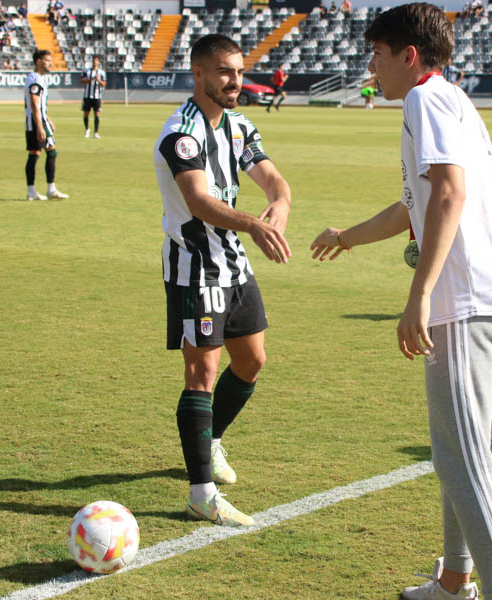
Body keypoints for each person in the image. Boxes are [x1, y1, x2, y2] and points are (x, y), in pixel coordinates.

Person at [310, 4, 492, 599]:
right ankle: (455, 579)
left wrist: (421, 295)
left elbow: (449, 195)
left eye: (377, 54)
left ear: (408, 56)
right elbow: (417, 201)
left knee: (464, 461)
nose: (370, 67)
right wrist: (346, 237)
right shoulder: (448, 99)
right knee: (458, 453)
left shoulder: (424, 100)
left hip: (468, 303)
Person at [152, 34, 292, 528]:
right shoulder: (180, 134)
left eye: (238, 71)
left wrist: (280, 202)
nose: (235, 81)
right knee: (202, 375)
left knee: (252, 362)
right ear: (199, 75)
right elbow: (197, 200)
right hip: (195, 267)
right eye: (224, 72)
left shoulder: (239, 125)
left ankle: (209, 442)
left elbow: (273, 179)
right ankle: (201, 494)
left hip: (235, 265)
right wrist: (254, 223)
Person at [24, 49, 67, 201]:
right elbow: (35, 104)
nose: (50, 64)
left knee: (36, 154)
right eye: (47, 61)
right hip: (36, 122)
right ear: (38, 62)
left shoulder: (39, 78)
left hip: (38, 120)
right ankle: (49, 189)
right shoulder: (35, 79)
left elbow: (39, 105)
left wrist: (47, 119)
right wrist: (41, 126)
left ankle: (33, 191)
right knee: (48, 152)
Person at [81, 55, 105, 139]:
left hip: (97, 97)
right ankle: (87, 129)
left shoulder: (101, 72)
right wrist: (91, 79)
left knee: (97, 114)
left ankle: (96, 132)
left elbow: (104, 84)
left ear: (99, 62)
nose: (95, 62)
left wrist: (98, 80)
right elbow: (82, 81)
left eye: (96, 61)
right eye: (94, 60)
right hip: (87, 96)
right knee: (86, 113)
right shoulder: (86, 71)